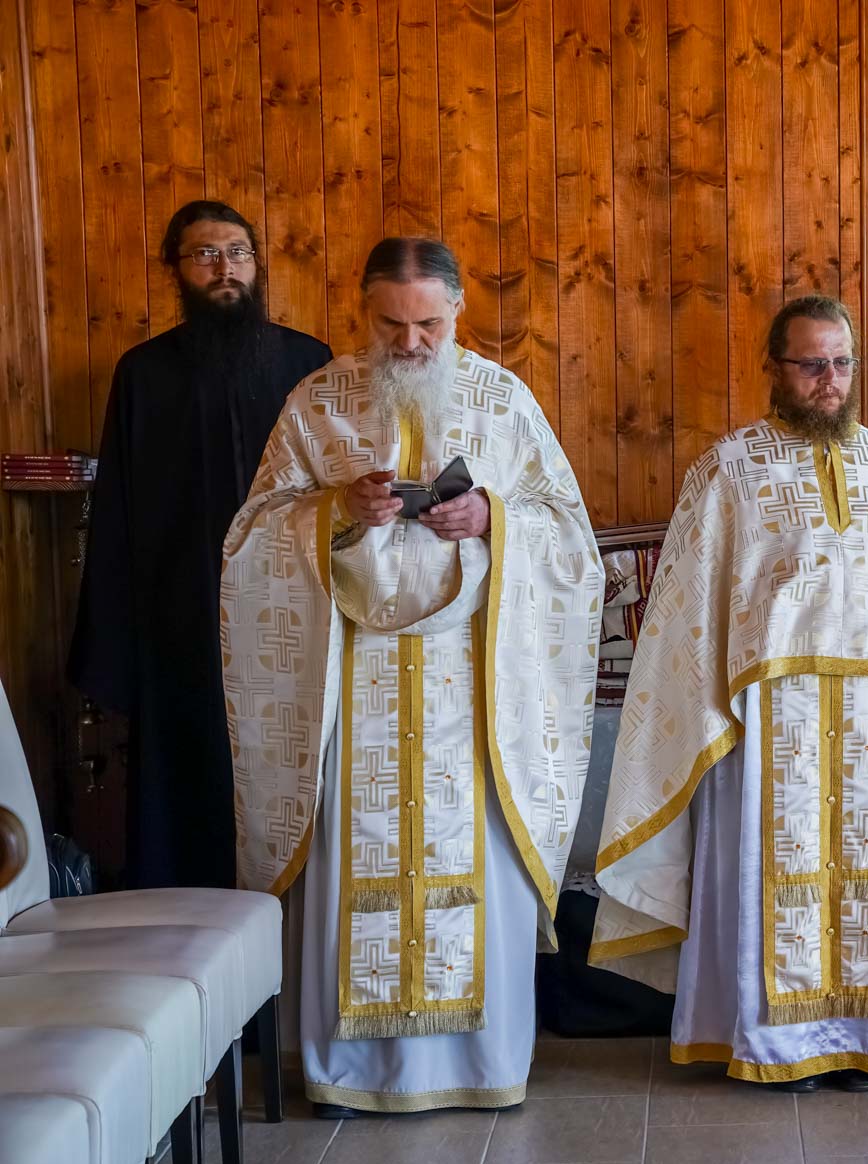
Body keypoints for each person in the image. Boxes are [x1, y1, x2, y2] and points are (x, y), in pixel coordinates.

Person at [221, 237, 602, 1114]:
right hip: (351, 684)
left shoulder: (504, 402)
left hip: (472, 689)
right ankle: (351, 1074)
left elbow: (572, 543)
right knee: (361, 859)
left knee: (470, 858)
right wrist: (335, 516)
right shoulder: (316, 405)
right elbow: (249, 541)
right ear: (365, 312)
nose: (413, 342)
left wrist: (493, 518)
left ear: (457, 312)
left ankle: (476, 1068)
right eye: (393, 324)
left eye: (429, 322)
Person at [590, 294, 868, 1092]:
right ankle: (777, 1042)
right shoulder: (730, 469)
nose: (829, 381)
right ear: (774, 370)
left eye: (842, 363)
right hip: (765, 723)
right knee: (770, 876)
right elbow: (688, 615)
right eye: (811, 364)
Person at [68, 200, 331, 889]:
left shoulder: (309, 363)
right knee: (184, 785)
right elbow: (121, 512)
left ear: (257, 264)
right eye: (205, 254)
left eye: (237, 252)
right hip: (181, 621)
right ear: (176, 269)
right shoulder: (144, 373)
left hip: (289, 616)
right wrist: (115, 642)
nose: (225, 267)